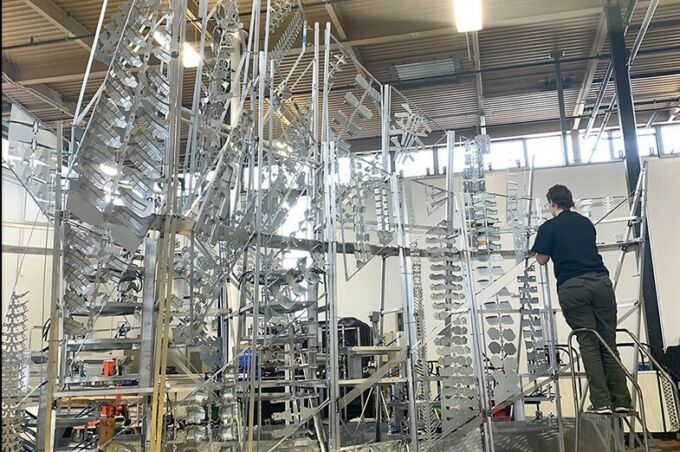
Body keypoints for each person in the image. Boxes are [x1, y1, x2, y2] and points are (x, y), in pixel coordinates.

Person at [531, 184, 632, 415]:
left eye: (548, 204)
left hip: (573, 286)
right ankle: (622, 400)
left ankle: (602, 402)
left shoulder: (549, 227)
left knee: (588, 343)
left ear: (553, 203)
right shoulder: (585, 223)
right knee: (608, 342)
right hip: (601, 283)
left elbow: (542, 260)